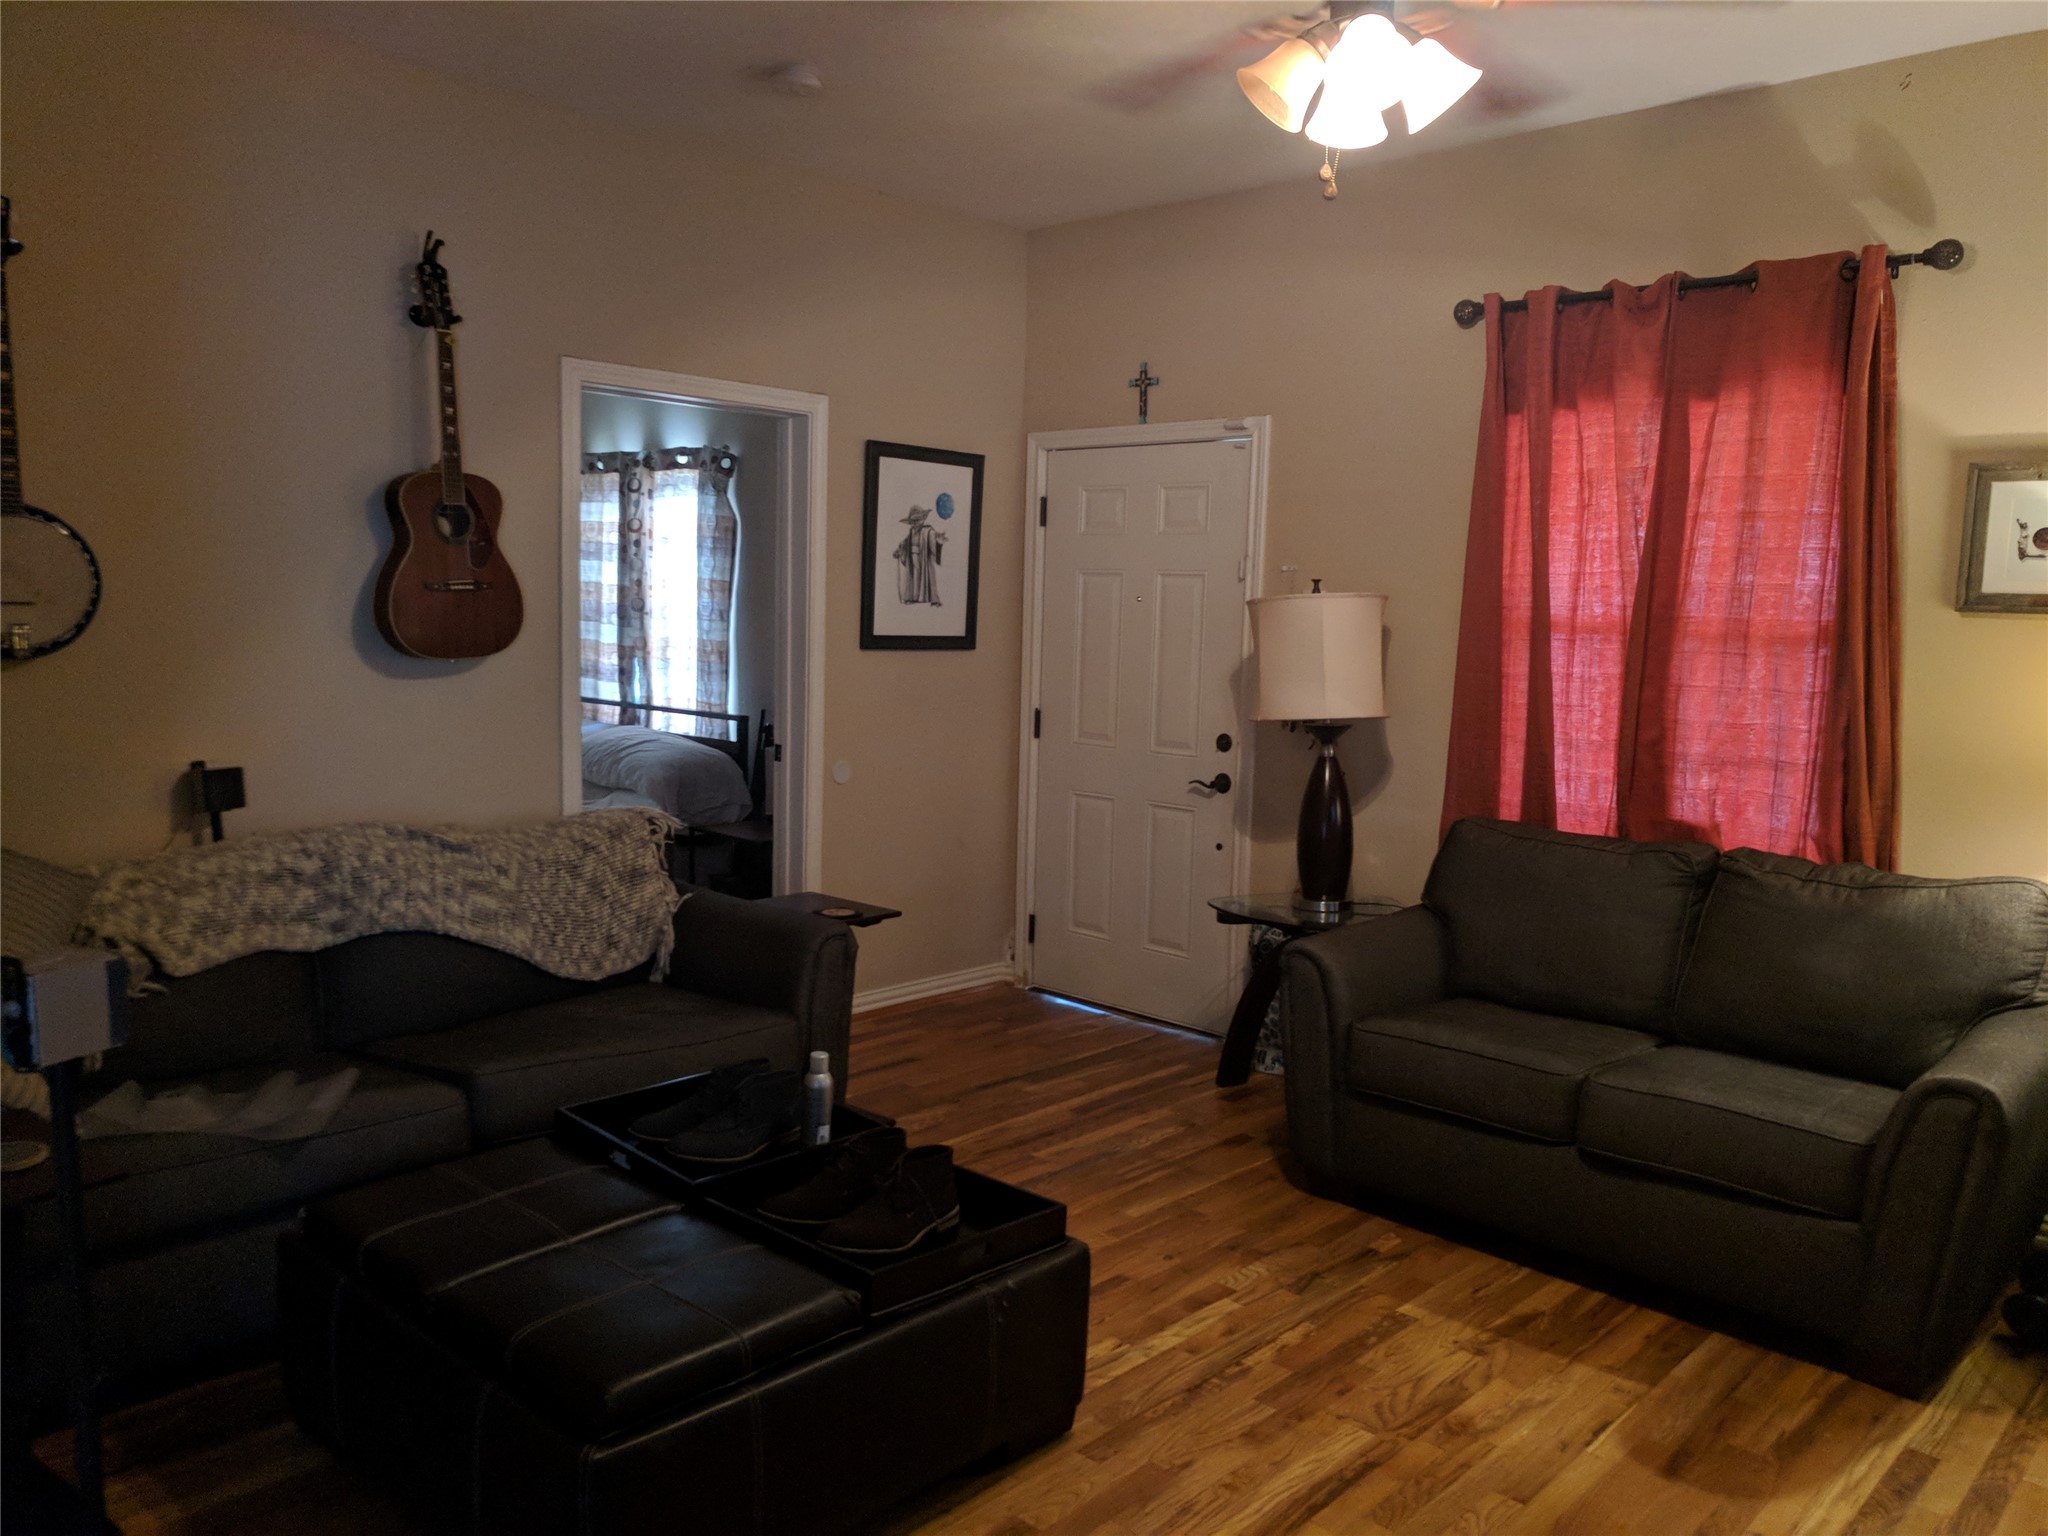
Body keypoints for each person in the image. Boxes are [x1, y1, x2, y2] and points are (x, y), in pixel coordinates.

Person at [893, 504, 946, 607]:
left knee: (927, 576)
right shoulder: (911, 531)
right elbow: (905, 542)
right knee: (913, 576)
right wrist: (899, 549)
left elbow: (934, 544)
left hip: (923, 558)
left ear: (923, 519)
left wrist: (939, 542)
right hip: (912, 557)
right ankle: (912, 598)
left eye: (918, 520)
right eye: (913, 521)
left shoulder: (928, 531)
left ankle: (934, 600)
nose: (915, 523)